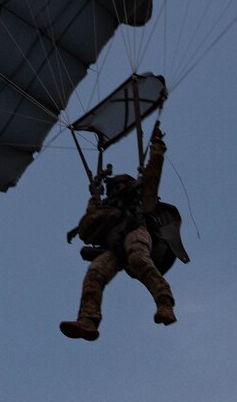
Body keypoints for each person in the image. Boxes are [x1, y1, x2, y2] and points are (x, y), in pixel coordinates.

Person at [60, 125, 190, 341]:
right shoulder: (107, 210)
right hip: (114, 246)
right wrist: (94, 199)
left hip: (136, 232)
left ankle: (164, 303)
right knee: (95, 273)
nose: (118, 190)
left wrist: (156, 147)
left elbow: (152, 177)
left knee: (138, 258)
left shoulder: (140, 203)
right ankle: (88, 320)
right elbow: (88, 226)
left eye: (121, 185)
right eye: (114, 188)